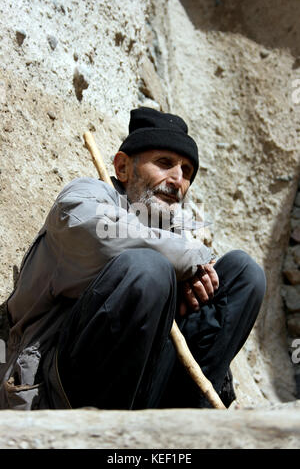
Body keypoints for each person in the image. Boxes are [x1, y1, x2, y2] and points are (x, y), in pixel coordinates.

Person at [0, 107, 266, 410]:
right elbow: (101, 236)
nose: (177, 179)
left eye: (187, 172)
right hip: (58, 390)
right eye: (164, 163)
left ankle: (185, 421)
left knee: (243, 272)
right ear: (123, 167)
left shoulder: (175, 241)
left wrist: (187, 271)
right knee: (148, 269)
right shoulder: (85, 196)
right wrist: (189, 260)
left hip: (144, 392)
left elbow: (175, 255)